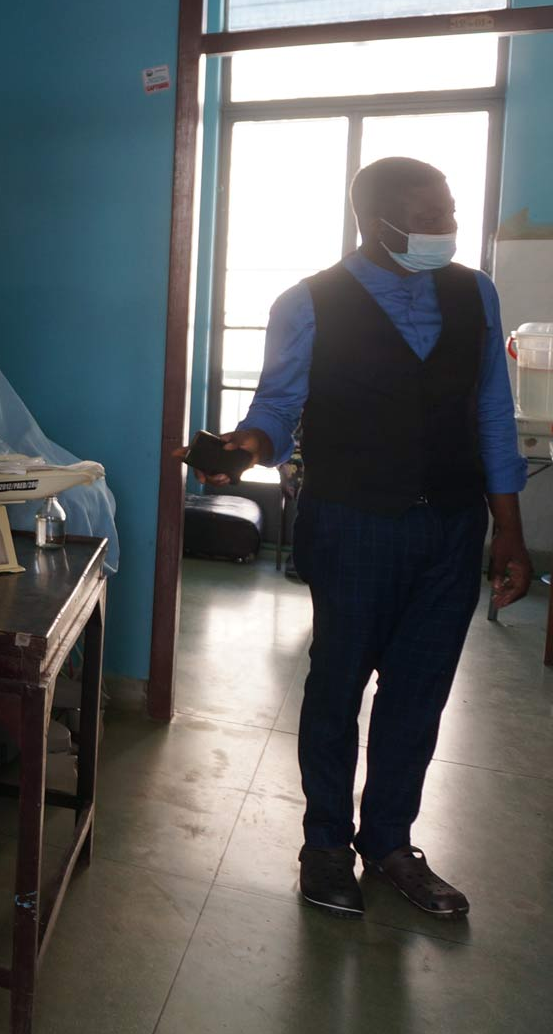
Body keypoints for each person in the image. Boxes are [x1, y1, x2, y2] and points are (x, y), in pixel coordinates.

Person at [185, 156, 530, 919]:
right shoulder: (307, 302)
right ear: (380, 222)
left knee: (420, 691)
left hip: (450, 524)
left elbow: (492, 413)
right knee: (338, 684)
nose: (447, 225)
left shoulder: (475, 292)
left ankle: (390, 843)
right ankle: (326, 843)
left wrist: (508, 530)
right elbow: (277, 409)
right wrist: (242, 450)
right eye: (431, 214)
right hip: (352, 522)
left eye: (449, 209)